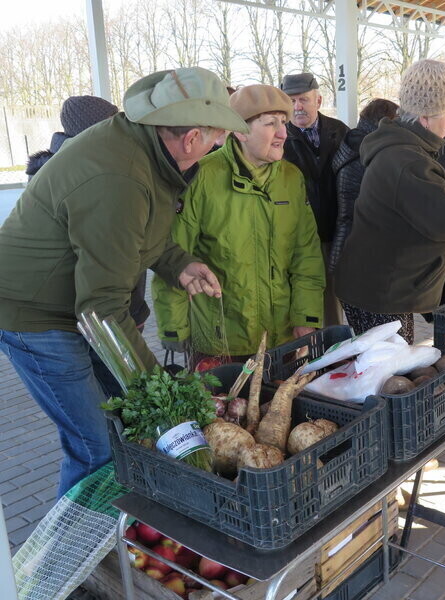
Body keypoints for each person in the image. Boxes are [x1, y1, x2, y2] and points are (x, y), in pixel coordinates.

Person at [0, 67, 248, 496]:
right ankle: (74, 554)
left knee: (129, 422)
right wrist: (163, 392)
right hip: (36, 317)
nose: (217, 147)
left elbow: (136, 238)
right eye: (214, 140)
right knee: (95, 448)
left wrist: (178, 263)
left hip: (79, 307)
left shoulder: (143, 147)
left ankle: (123, 526)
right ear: (190, 138)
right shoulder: (120, 176)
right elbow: (102, 308)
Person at [153, 84, 325, 365]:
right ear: (241, 132)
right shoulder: (202, 177)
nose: (284, 133)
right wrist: (175, 330)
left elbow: (306, 256)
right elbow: (172, 257)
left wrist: (306, 317)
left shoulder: (291, 179)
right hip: (219, 342)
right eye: (271, 124)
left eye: (284, 122)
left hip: (281, 339)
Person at [334, 59, 445, 343]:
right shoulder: (405, 159)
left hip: (379, 287)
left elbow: (421, 206)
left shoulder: (404, 151)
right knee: (388, 373)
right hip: (381, 294)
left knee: (386, 365)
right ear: (425, 117)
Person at [25, 95, 151, 333]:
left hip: (119, 305)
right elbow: (105, 251)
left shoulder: (111, 164)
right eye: (112, 122)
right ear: (94, 128)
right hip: (89, 315)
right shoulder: (86, 175)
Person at [281, 72, 349, 326]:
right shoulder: (279, 138)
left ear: (318, 101)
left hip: (334, 232)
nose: (297, 107)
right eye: (292, 101)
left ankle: (333, 354)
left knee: (331, 302)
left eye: (303, 100)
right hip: (294, 237)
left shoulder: (340, 132)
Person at [329, 98, 399, 273]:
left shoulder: (354, 141)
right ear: (384, 122)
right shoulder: (368, 153)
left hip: (347, 243)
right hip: (357, 250)